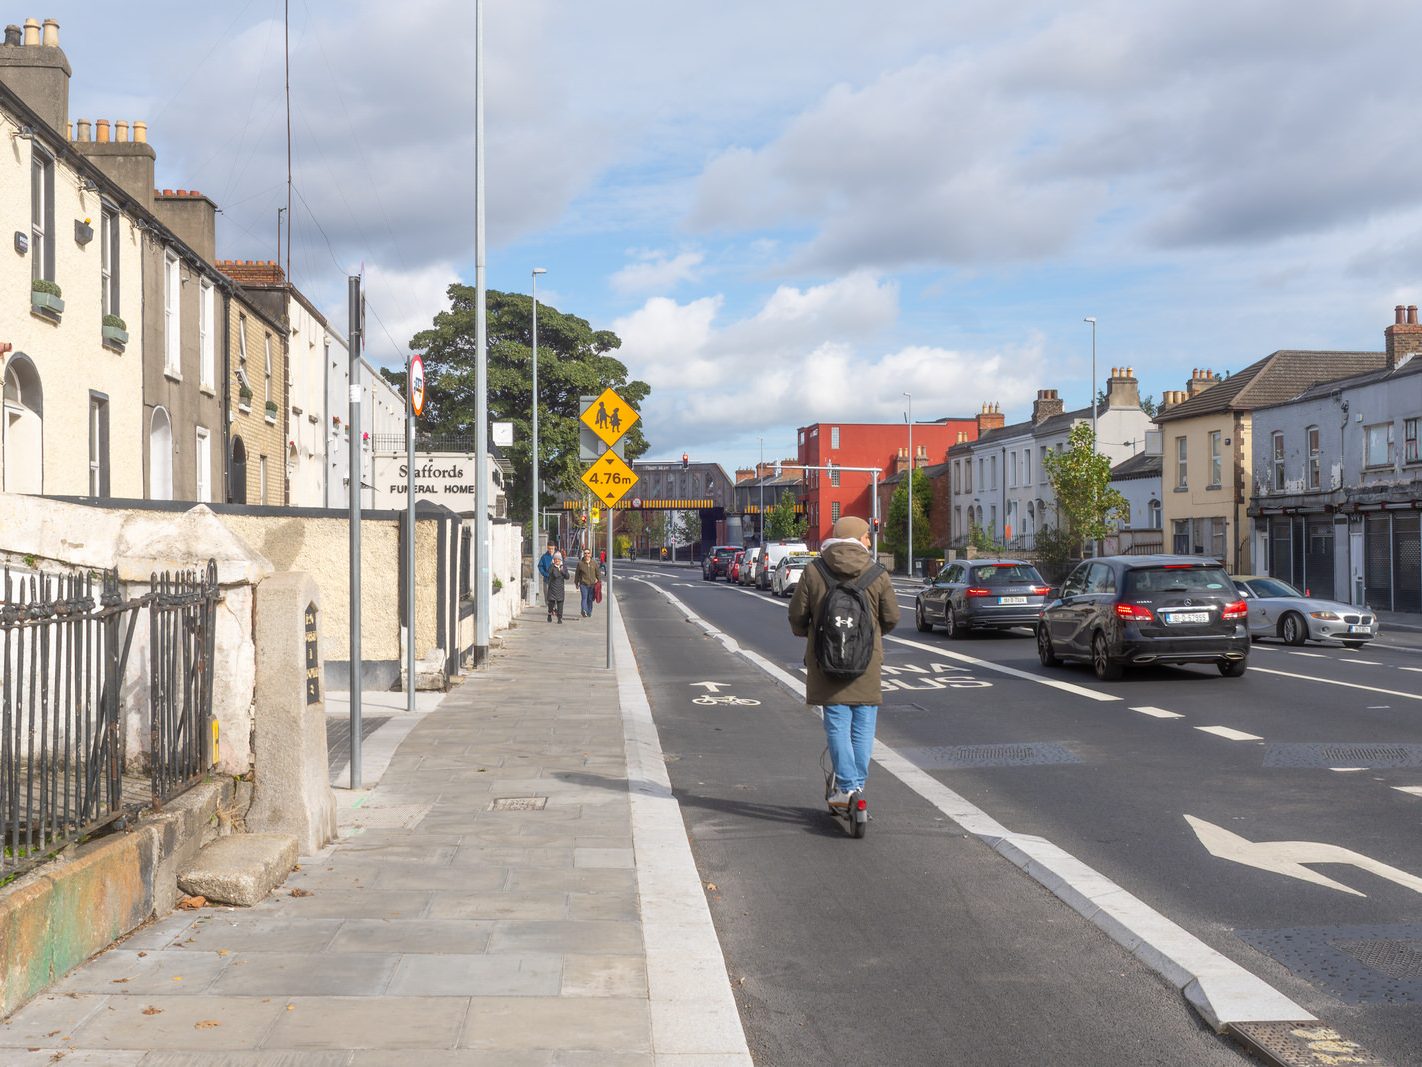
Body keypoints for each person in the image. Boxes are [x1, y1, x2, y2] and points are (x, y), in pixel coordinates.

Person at [788, 515, 898, 809]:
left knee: (837, 722)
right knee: (863, 724)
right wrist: (871, 637)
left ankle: (846, 787)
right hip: (866, 662)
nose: (870, 541)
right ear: (857, 538)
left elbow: (797, 616)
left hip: (826, 661)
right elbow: (891, 618)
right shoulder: (877, 573)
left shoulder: (814, 570)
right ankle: (856, 786)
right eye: (866, 536)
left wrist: (804, 632)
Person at [545, 551, 570, 623]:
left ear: (561, 560)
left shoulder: (563, 567)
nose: (557, 561)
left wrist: (563, 571)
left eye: (558, 559)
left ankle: (559, 618)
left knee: (560, 604)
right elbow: (554, 575)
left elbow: (567, 577)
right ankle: (549, 614)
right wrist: (557, 569)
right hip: (552, 588)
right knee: (551, 604)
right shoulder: (551, 566)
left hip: (560, 589)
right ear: (554, 560)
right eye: (556, 559)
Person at [575, 549, 600, 618]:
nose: (587, 555)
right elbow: (577, 574)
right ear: (584, 554)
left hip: (592, 585)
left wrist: (599, 581)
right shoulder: (580, 563)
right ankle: (584, 610)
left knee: (590, 599)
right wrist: (576, 583)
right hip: (583, 584)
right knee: (584, 598)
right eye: (585, 553)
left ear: (590, 554)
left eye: (588, 553)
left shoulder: (594, 563)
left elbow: (598, 573)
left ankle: (589, 611)